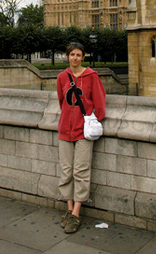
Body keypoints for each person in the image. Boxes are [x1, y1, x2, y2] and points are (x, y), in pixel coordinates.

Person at [57, 42, 106, 234]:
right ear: (67, 56)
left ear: (83, 57)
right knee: (66, 170)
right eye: (72, 55)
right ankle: (69, 209)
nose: (75, 58)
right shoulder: (62, 77)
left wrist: (91, 122)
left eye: (78, 55)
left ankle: (76, 214)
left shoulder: (92, 76)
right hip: (64, 131)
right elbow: (62, 102)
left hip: (83, 132)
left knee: (81, 171)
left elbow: (100, 105)